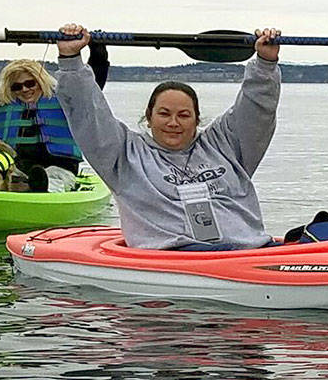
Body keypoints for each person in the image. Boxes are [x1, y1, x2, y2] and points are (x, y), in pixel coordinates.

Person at [54, 22, 282, 250]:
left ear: (196, 120)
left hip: (251, 251)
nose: (173, 123)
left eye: (184, 115)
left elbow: (257, 110)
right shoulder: (124, 155)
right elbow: (88, 113)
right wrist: (71, 60)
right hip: (174, 255)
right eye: (164, 114)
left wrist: (265, 64)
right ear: (149, 117)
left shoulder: (224, 146)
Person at [0, 40, 110, 192]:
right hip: (13, 168)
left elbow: (90, 85)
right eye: (16, 86)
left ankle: (40, 189)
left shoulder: (68, 102)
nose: (24, 89)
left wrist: (97, 49)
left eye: (30, 83)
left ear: (41, 81)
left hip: (59, 168)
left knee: (53, 178)